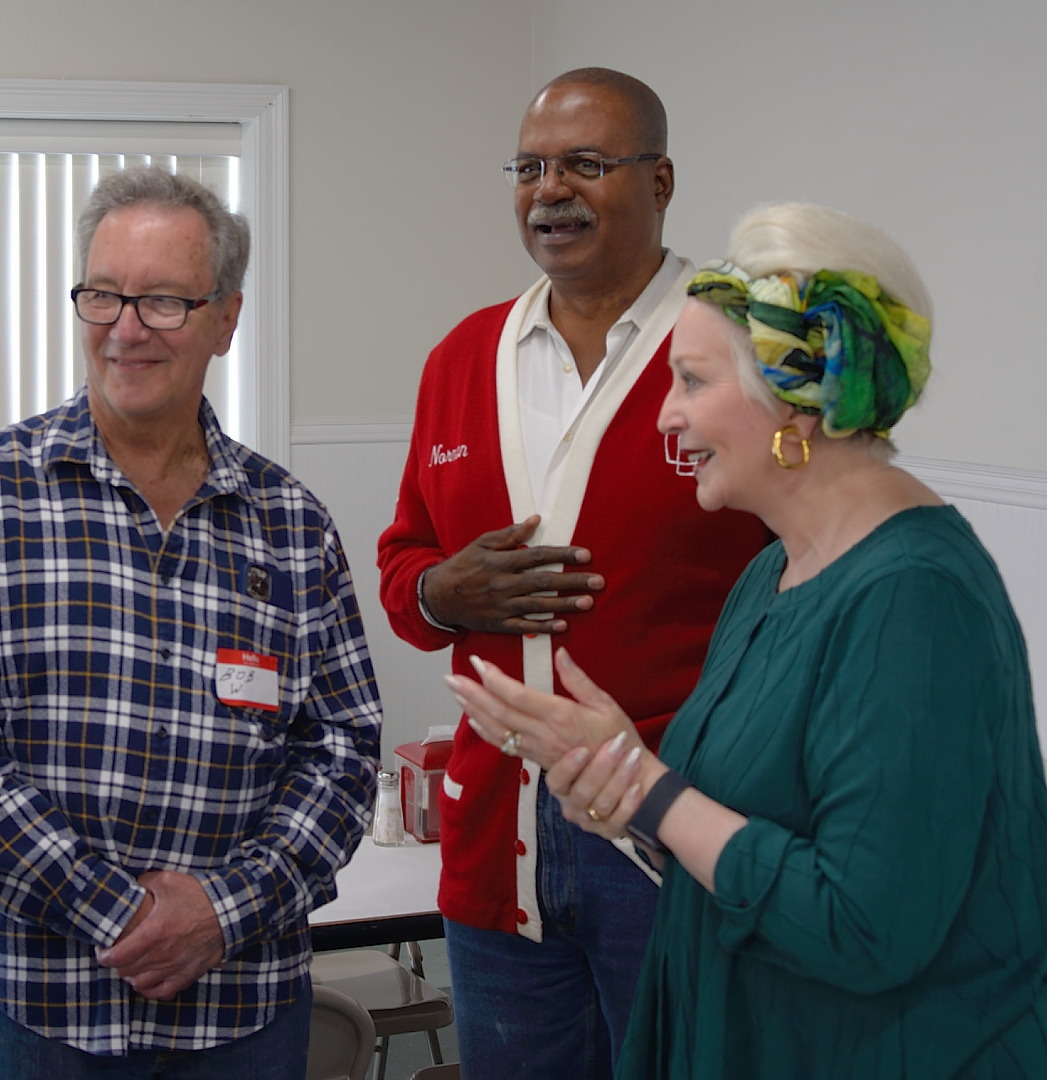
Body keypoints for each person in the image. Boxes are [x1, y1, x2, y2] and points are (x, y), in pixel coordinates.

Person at [449, 203, 1047, 1077]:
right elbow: (738, 834)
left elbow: (865, 927)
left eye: (692, 382)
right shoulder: (772, 575)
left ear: (802, 400)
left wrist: (648, 789)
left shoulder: (914, 599)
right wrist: (621, 793)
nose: (666, 417)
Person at [0, 166, 383, 1078]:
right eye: (103, 294)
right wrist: (119, 916)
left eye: (163, 300)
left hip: (243, 1012)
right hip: (46, 1012)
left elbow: (342, 750)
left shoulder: (291, 523)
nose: (125, 328)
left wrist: (221, 912)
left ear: (226, 319)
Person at [374, 69, 768, 1078]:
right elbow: (403, 563)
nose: (552, 191)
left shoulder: (743, 344)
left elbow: (810, 575)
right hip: (497, 837)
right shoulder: (463, 357)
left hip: (679, 828)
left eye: (587, 165)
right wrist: (437, 593)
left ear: (662, 179)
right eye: (532, 167)